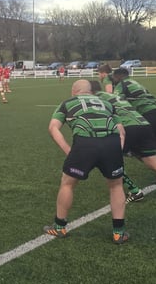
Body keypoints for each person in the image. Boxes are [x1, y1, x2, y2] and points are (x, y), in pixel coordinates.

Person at [44, 79, 129, 244]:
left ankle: (59, 227)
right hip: (111, 143)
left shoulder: (68, 103)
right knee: (116, 185)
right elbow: (122, 132)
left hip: (85, 144)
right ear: (91, 91)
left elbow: (53, 128)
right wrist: (116, 150)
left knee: (68, 183)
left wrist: (69, 151)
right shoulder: (107, 103)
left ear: (74, 90)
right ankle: (118, 233)